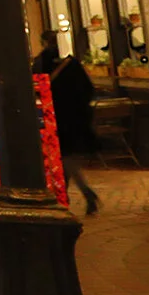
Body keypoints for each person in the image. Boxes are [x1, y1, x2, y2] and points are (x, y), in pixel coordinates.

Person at [46, 40, 100, 215]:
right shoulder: (74, 66)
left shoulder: (45, 66)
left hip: (60, 121)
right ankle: (73, 195)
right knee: (66, 160)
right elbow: (89, 90)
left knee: (65, 160)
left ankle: (76, 195)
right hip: (78, 120)